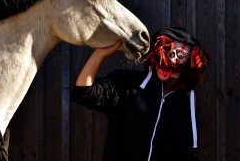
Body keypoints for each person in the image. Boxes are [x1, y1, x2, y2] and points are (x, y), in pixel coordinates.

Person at [71, 27, 209, 161]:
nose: (172, 59)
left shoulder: (187, 101)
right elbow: (83, 92)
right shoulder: (126, 83)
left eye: (180, 55)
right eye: (167, 50)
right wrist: (99, 54)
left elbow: (187, 154)